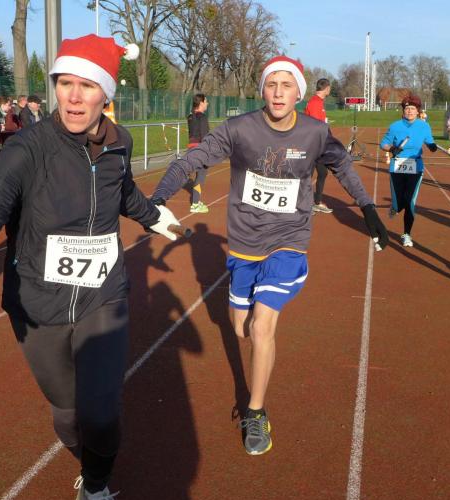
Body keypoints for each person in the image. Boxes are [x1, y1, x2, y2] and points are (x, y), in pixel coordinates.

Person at [0, 34, 173, 500]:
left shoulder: (119, 143)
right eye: (64, 83)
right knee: (68, 416)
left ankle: (96, 487)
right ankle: (89, 463)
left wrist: (153, 216)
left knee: (102, 415)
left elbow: (122, 191)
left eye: (87, 85)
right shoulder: (28, 149)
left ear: (106, 93)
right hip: (37, 305)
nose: (73, 97)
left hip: (103, 296)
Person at [150, 55, 389, 455]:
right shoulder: (239, 129)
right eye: (271, 84)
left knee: (262, 327)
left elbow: (344, 166)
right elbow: (191, 160)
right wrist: (157, 198)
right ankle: (258, 342)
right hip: (244, 244)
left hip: (289, 240)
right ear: (262, 89)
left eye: (286, 85)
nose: (278, 93)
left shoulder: (314, 133)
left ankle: (255, 410)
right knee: (242, 329)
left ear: (299, 92)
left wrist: (366, 207)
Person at [380, 94, 438, 247]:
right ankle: (395, 207)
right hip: (397, 167)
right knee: (399, 202)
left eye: (413, 109)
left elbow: (429, 141)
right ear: (403, 111)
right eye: (407, 109)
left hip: (416, 167)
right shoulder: (395, 126)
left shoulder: (424, 126)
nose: (410, 111)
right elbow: (383, 144)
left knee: (410, 201)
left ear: (418, 111)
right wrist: (392, 148)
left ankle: (406, 234)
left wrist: (432, 146)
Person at [305, 78, 333, 213]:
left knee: (322, 172)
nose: (330, 90)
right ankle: (305, 204)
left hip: (318, 143)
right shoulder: (315, 102)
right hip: (313, 144)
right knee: (309, 174)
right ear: (326, 88)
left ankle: (316, 202)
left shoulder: (319, 102)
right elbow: (317, 126)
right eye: (329, 88)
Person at [187, 93, 210, 213]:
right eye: (206, 101)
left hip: (191, 149)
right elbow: (205, 136)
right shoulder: (202, 117)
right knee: (200, 177)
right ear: (201, 103)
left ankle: (196, 201)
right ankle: (195, 204)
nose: (207, 104)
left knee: (198, 176)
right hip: (200, 149)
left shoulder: (190, 116)